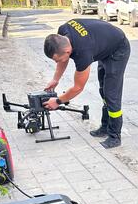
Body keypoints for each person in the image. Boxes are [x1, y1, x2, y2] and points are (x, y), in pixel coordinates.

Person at [43, 18, 131, 149]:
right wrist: (55, 79)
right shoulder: (63, 32)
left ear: (68, 51)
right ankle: (105, 127)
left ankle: (115, 136)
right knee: (103, 90)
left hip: (118, 49)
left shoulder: (83, 52)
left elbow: (78, 87)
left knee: (111, 95)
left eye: (57, 59)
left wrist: (57, 101)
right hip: (104, 45)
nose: (56, 62)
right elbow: (62, 59)